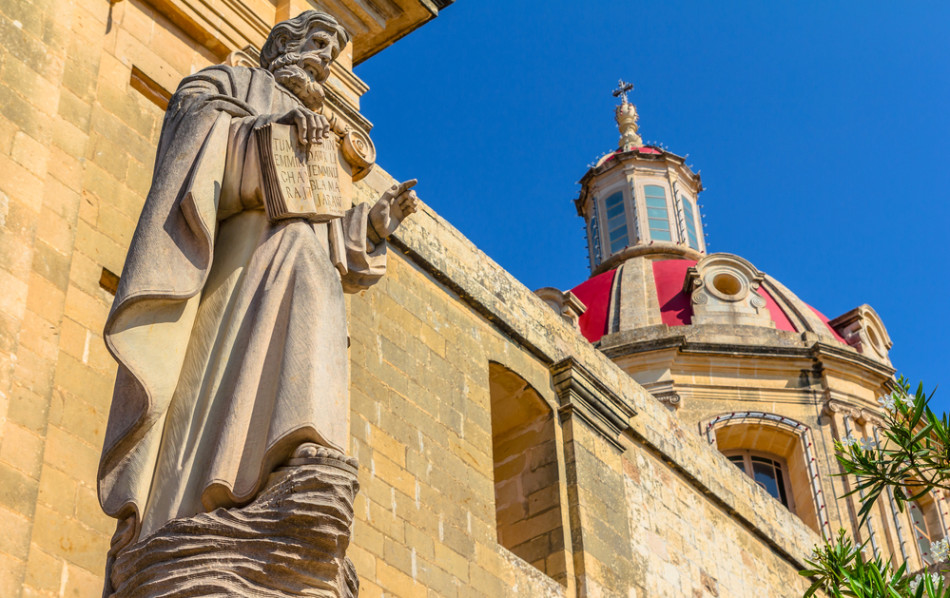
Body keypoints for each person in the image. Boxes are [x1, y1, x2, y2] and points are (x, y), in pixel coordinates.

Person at [97, 9, 417, 563]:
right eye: (315, 41)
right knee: (296, 262)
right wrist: (266, 134)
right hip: (230, 279)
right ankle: (215, 495)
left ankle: (296, 459)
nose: (322, 58)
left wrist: (372, 225)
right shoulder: (228, 84)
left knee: (308, 264)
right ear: (282, 43)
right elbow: (189, 151)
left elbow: (324, 239)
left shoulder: (317, 130)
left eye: (331, 52)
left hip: (292, 274)